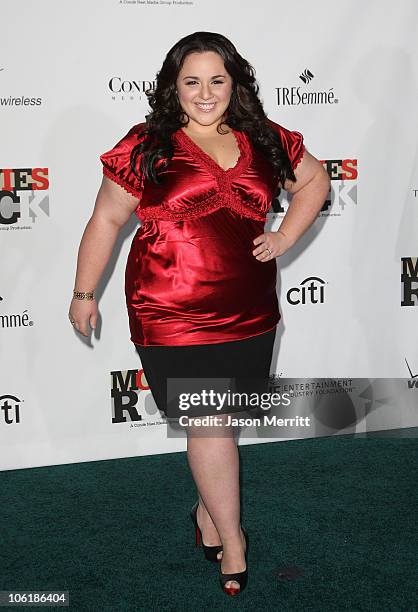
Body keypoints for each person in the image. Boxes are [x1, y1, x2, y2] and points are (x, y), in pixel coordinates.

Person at [68, 31, 330, 596]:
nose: (205, 93)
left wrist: (285, 235)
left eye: (217, 80)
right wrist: (84, 293)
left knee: (221, 423)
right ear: (173, 87)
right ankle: (234, 539)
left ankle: (208, 514)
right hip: (170, 310)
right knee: (209, 423)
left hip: (250, 311)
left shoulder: (265, 139)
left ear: (234, 84)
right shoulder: (147, 145)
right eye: (192, 81)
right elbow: (106, 221)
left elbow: (315, 180)